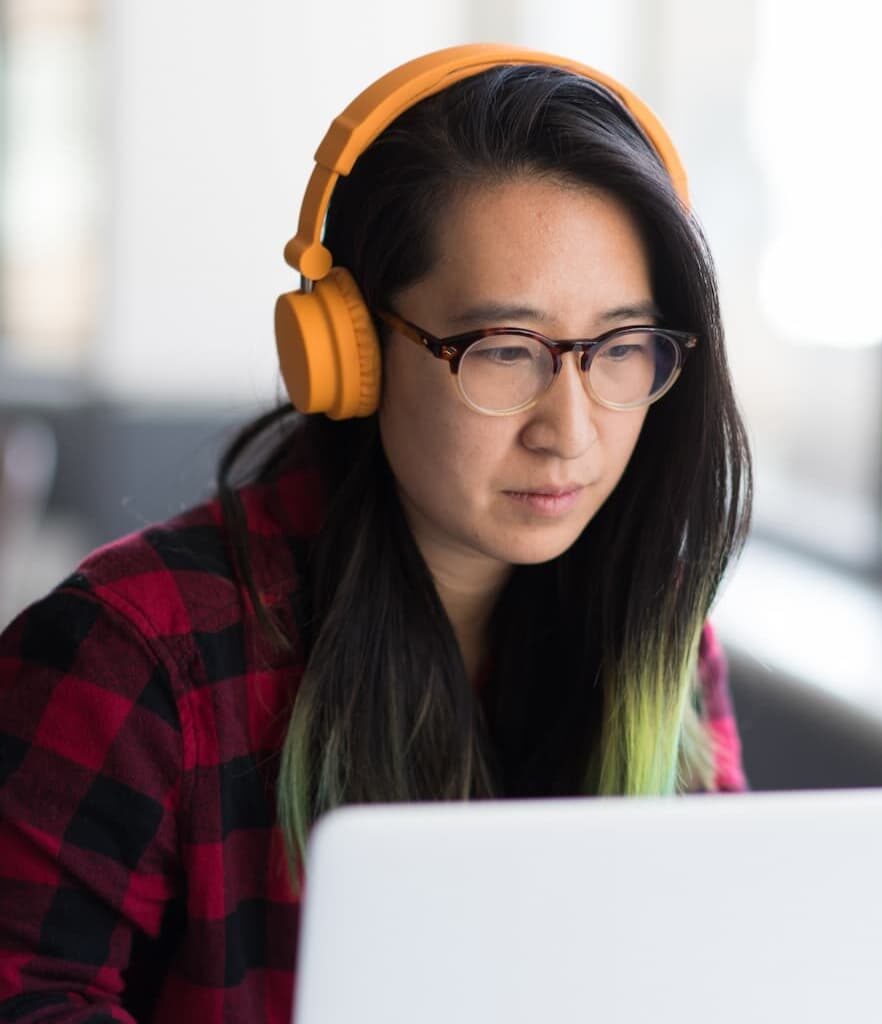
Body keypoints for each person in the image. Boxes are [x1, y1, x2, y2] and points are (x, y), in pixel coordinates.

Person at [0, 43, 753, 1024]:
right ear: (347, 355)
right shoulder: (131, 657)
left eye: (619, 349)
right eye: (504, 351)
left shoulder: (658, 635)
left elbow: (715, 963)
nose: (569, 431)